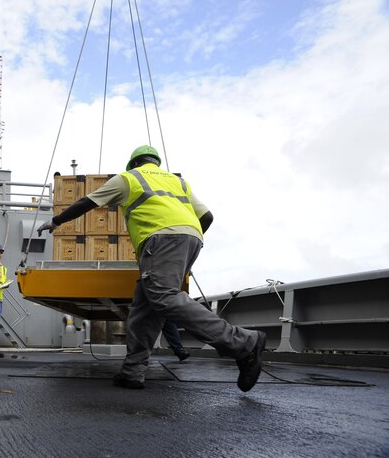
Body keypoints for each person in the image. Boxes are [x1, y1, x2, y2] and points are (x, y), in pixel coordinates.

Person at [38, 145, 266, 392]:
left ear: (133, 163)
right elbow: (207, 216)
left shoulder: (129, 178)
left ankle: (244, 342)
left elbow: (87, 202)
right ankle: (132, 372)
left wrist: (55, 221)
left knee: (165, 297)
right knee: (144, 310)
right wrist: (186, 239)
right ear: (155, 162)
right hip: (191, 238)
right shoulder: (179, 183)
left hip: (160, 240)